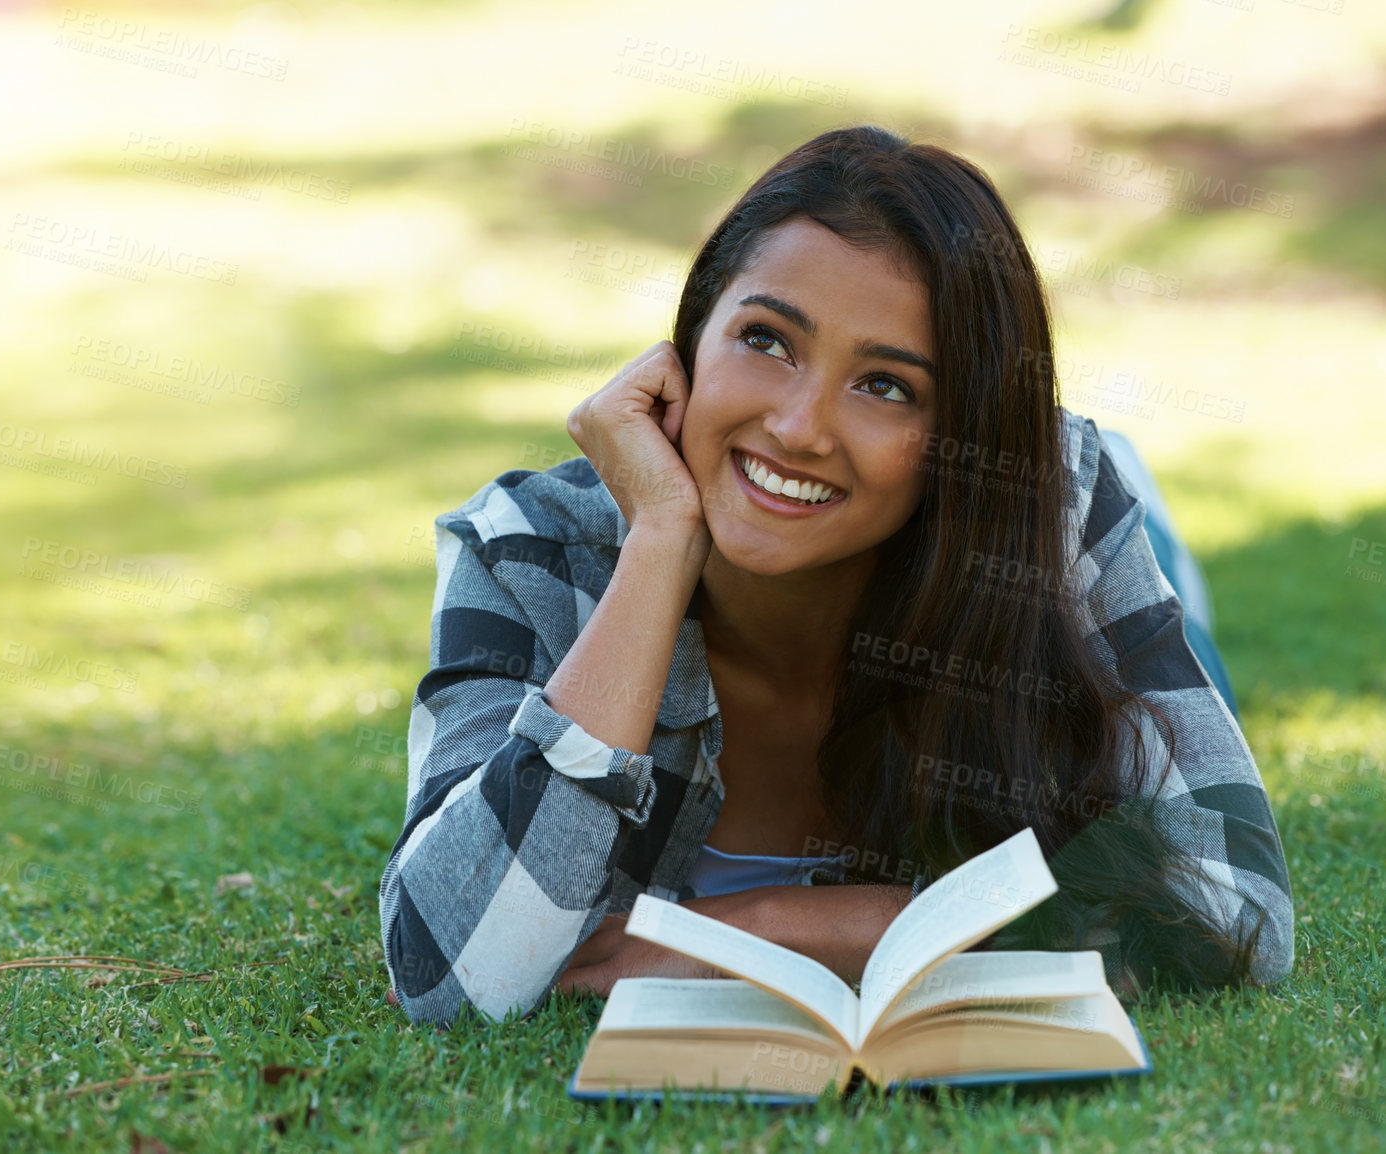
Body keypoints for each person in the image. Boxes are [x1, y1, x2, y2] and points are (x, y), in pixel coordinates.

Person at [378, 126, 1292, 1028]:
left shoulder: (1050, 514)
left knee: (1162, 641)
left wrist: (736, 932)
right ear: (688, 344)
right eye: (767, 340)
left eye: (886, 386)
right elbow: (451, 975)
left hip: (1069, 561)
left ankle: (1156, 539)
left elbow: (1236, 908)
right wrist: (660, 539)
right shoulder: (525, 550)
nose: (799, 426)